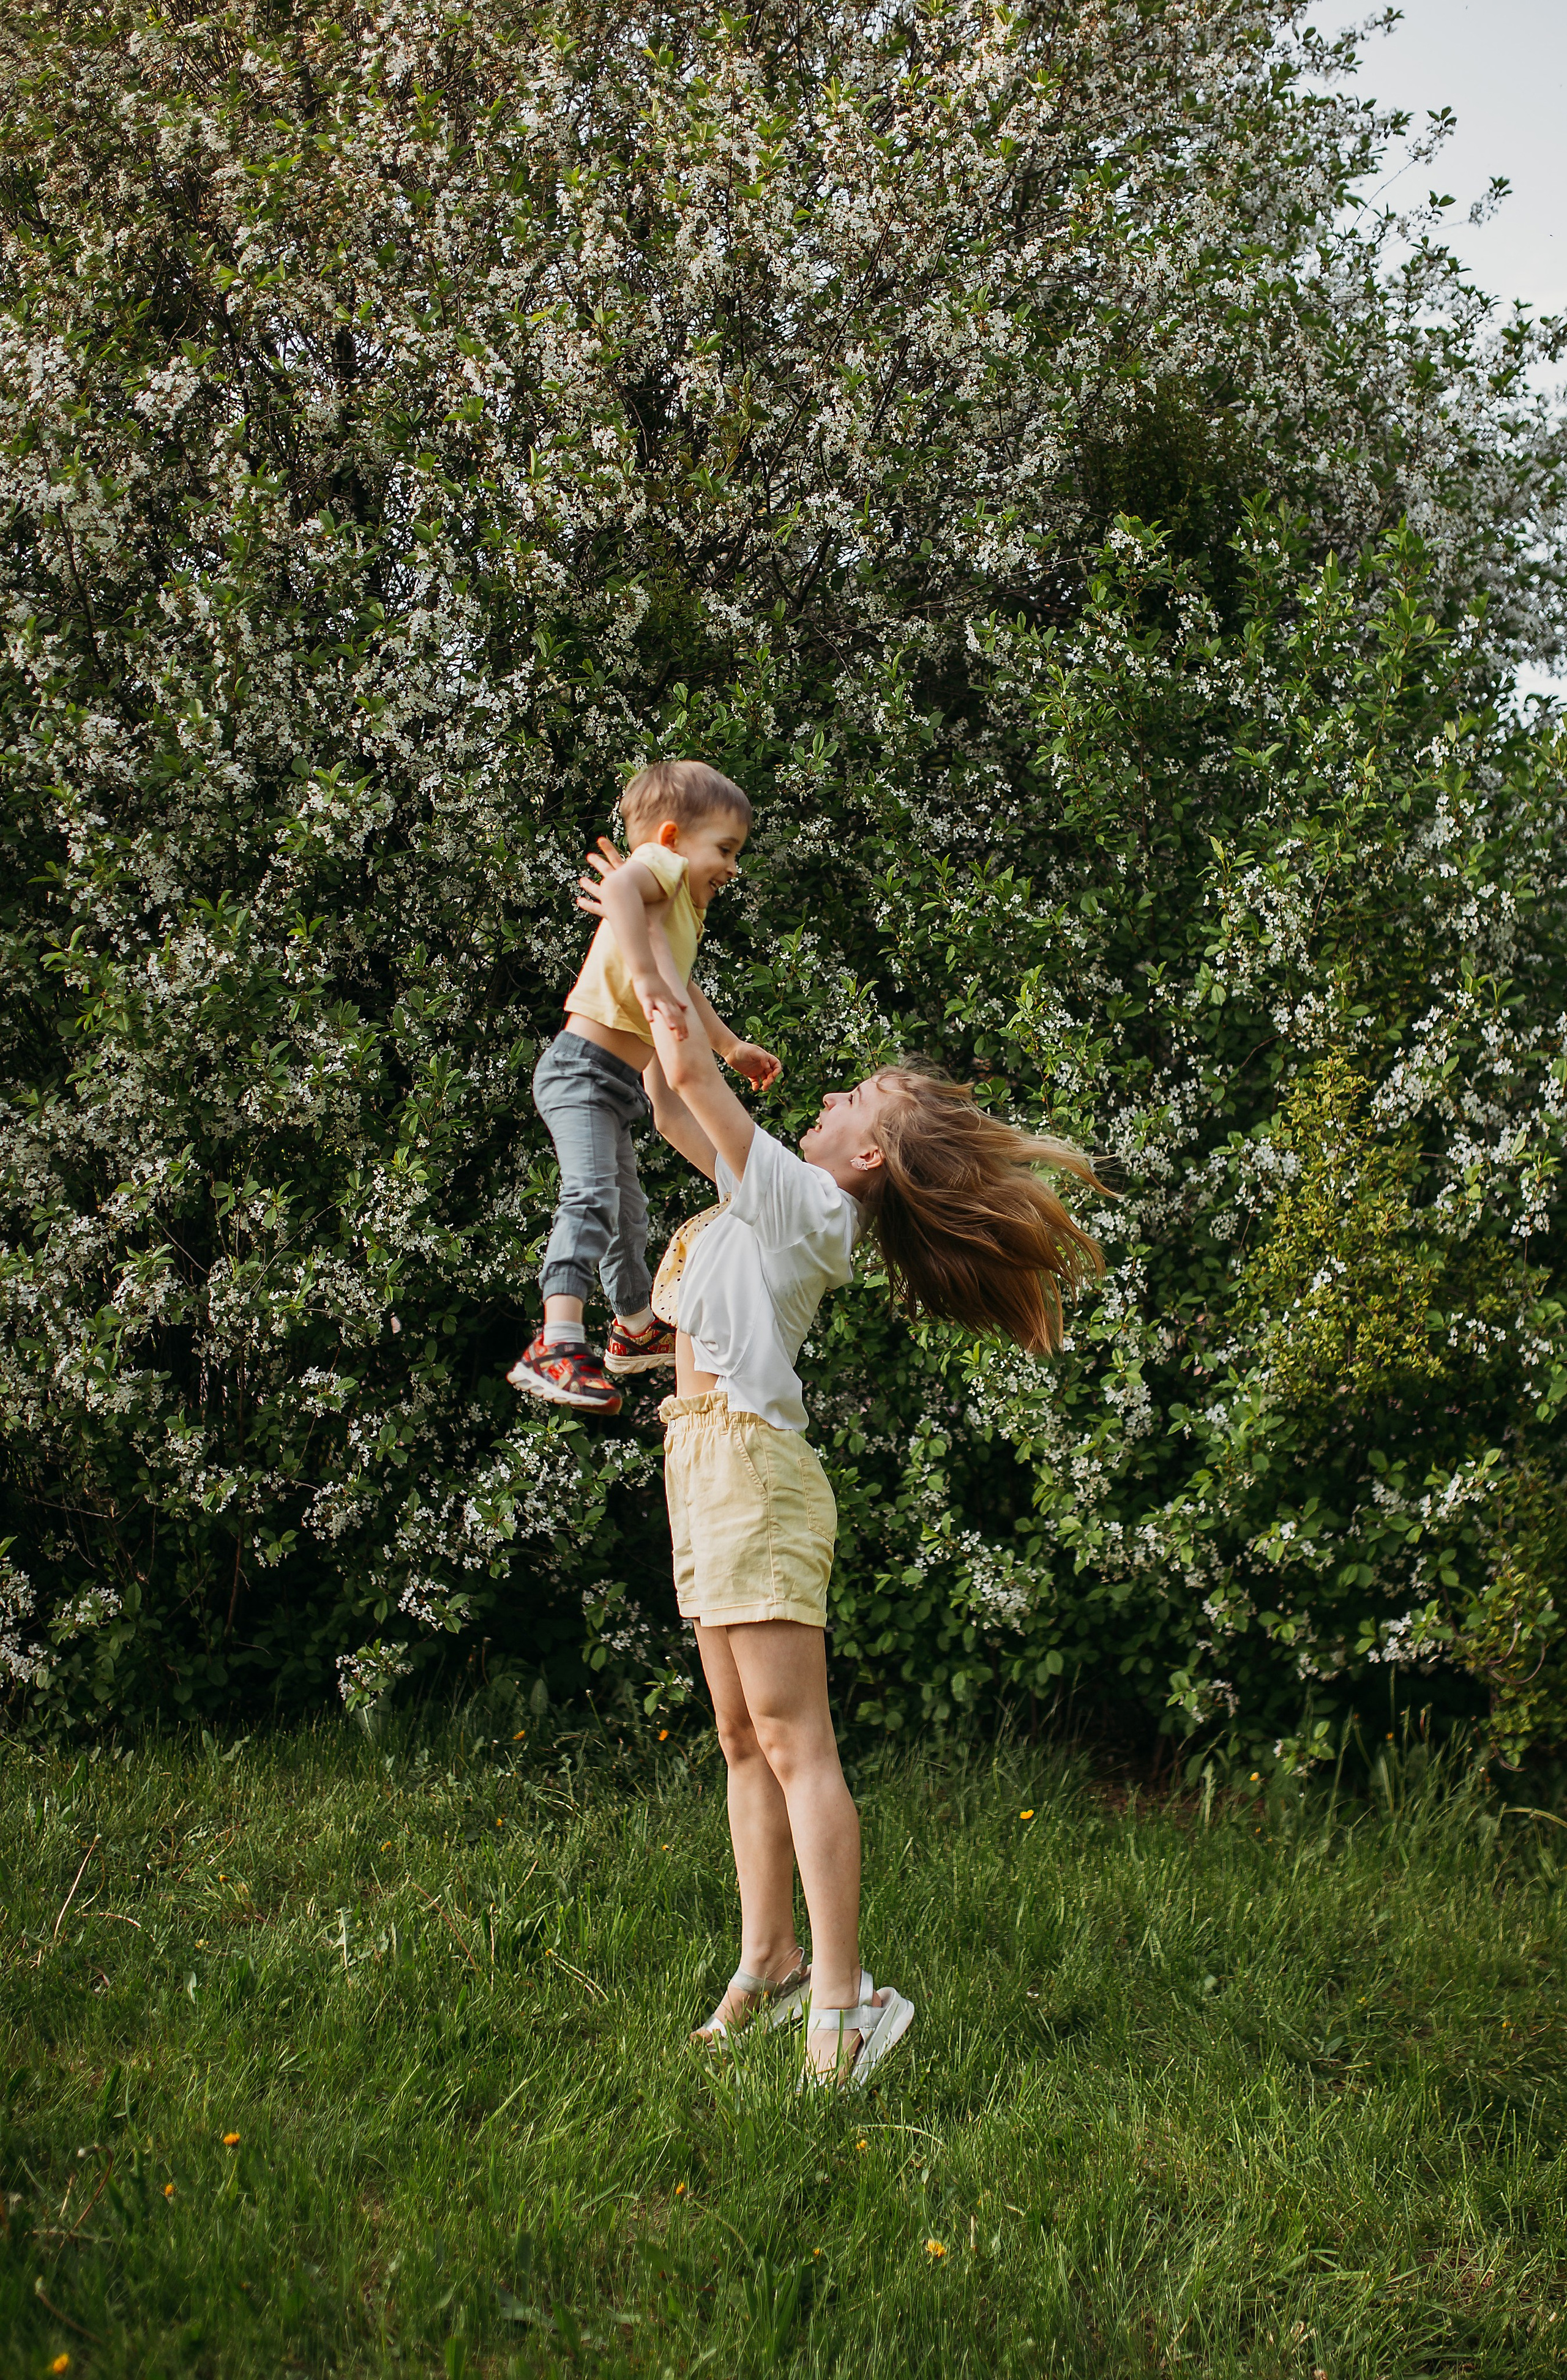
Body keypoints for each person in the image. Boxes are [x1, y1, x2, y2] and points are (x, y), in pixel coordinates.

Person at [591, 863, 1109, 2084]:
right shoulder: (766, 1194)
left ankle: (845, 2000)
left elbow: (695, 1079)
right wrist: (641, 946)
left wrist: (657, 950)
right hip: (701, 1467)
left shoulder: (811, 1209)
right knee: (737, 1735)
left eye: (849, 1099)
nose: (822, 1096)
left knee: (794, 1740)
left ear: (868, 1159)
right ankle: (766, 1962)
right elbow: (666, 1090)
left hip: (756, 1479)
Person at [507, 761, 782, 1417]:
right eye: (724, 849)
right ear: (670, 836)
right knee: (592, 1197)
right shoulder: (657, 870)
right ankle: (556, 1341)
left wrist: (729, 1046)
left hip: (613, 1086)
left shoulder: (676, 914)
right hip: (581, 1072)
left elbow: (683, 984)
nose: (731, 869)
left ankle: (632, 1325)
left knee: (628, 1214)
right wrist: (642, 975)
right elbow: (623, 888)